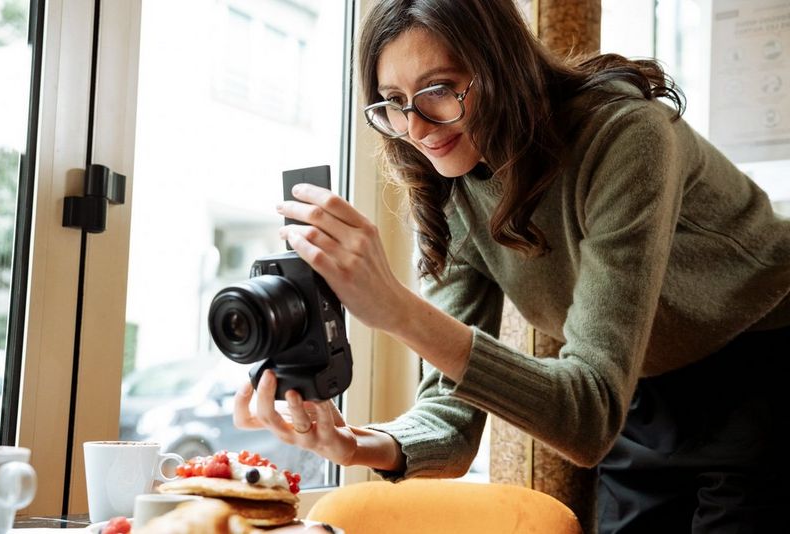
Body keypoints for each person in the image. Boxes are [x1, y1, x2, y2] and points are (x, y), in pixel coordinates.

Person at [232, 0, 790, 532]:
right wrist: (356, 444)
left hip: (764, 365)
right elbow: (449, 422)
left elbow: (587, 415)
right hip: (640, 396)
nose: (419, 127)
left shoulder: (625, 136)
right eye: (394, 102)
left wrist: (396, 309)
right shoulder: (451, 185)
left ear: (501, 64)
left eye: (441, 89)